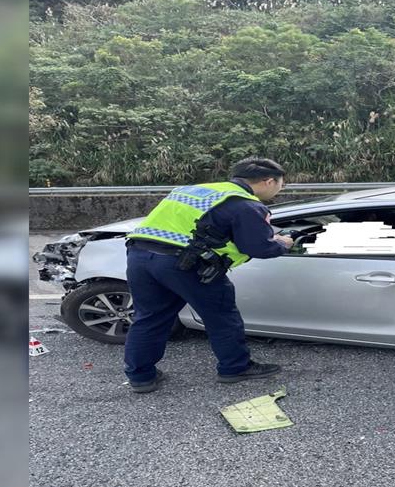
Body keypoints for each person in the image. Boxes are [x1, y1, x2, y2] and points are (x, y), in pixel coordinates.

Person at [122, 157, 294, 393]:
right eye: (280, 184)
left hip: (139, 256)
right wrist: (284, 243)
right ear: (268, 181)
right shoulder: (246, 204)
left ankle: (141, 377)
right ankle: (235, 367)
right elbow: (259, 248)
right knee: (220, 316)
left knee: (149, 317)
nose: (279, 189)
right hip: (183, 263)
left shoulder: (196, 190)